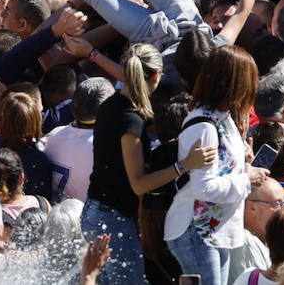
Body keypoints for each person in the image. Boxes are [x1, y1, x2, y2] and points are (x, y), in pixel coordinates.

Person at [82, 43, 214, 285]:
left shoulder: (112, 105)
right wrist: (185, 164)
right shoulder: (130, 121)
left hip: (98, 212)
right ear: (156, 75)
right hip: (112, 218)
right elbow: (139, 185)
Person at [166, 45, 268, 285]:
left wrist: (244, 163)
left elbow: (220, 170)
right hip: (197, 231)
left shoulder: (222, 118)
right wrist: (247, 179)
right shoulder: (204, 127)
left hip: (212, 231)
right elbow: (205, 188)